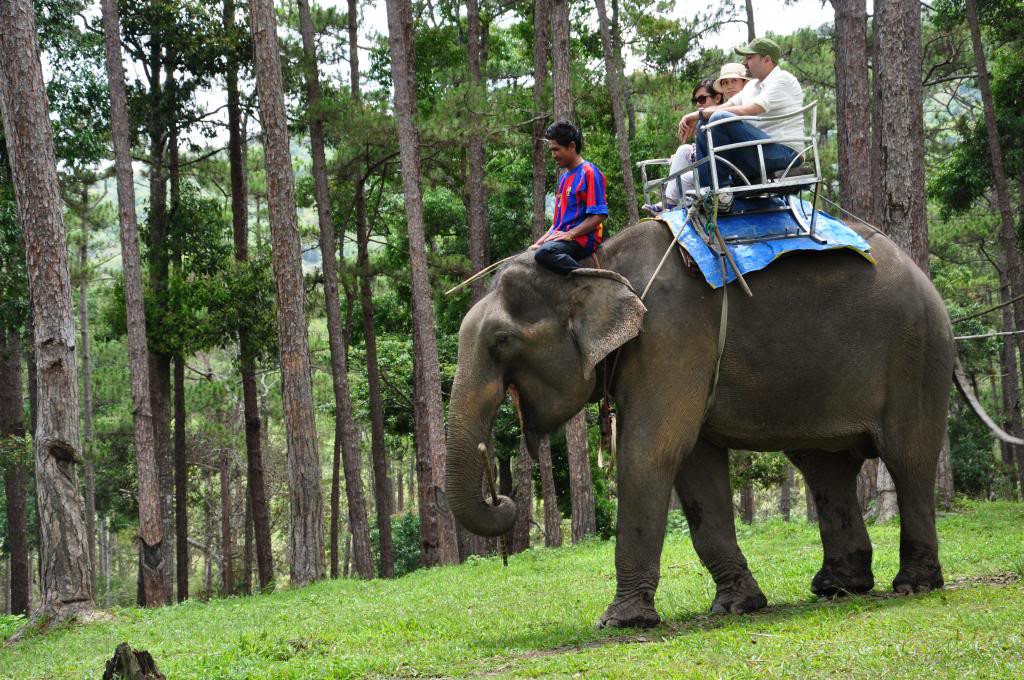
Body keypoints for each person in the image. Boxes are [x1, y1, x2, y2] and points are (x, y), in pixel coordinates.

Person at [678, 37, 805, 209]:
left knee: (717, 119)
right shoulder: (752, 85)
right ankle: (707, 189)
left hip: (785, 153)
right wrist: (694, 116)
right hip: (759, 149)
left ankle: (722, 193)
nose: (745, 62)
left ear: (767, 60)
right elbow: (726, 106)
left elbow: (747, 110)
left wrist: (701, 114)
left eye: (750, 57)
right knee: (705, 123)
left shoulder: (783, 79)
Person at [531, 121, 609, 275]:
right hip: (564, 238)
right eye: (551, 150)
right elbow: (558, 224)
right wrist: (539, 242)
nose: (553, 155)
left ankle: (589, 281)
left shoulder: (589, 172)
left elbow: (599, 215)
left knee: (545, 253)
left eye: (556, 150)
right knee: (535, 251)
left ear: (572, 146)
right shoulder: (564, 178)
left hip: (583, 239)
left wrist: (570, 234)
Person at [648, 80, 723, 214]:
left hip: (720, 169)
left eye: (702, 99)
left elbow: (716, 149)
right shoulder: (703, 121)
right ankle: (669, 201)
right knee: (683, 150)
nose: (698, 104)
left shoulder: (721, 117)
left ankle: (681, 208)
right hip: (709, 164)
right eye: (695, 101)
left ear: (717, 98)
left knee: (684, 178)